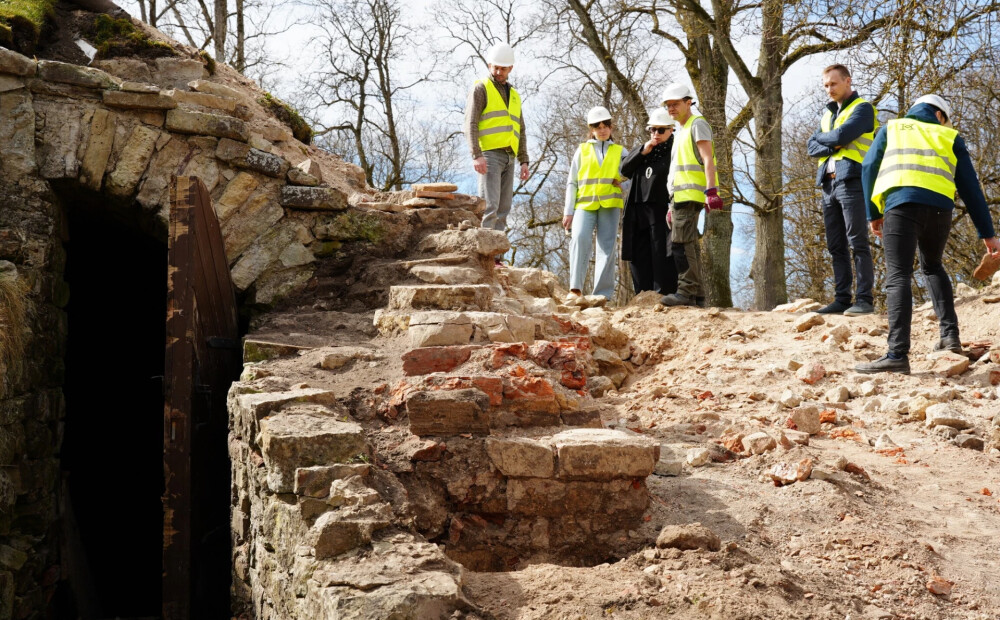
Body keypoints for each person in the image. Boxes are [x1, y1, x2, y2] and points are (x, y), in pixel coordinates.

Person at [855, 95, 1000, 374]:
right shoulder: (950, 136)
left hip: (901, 206)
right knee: (933, 267)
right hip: (939, 211)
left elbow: (868, 167)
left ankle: (897, 354)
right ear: (939, 115)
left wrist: (873, 212)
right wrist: (988, 234)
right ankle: (950, 336)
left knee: (898, 274)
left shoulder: (892, 128)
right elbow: (970, 187)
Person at [807, 64, 878, 316]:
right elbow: (810, 146)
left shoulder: (863, 109)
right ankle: (841, 299)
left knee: (857, 240)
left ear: (848, 81)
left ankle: (864, 300)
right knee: (835, 245)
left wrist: (833, 139)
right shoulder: (827, 115)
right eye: (826, 85)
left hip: (852, 181)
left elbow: (841, 136)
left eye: (833, 84)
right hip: (827, 184)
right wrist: (834, 142)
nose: (829, 89)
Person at [464, 42, 531, 254]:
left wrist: (524, 160)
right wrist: (476, 154)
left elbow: (520, 129)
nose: (499, 72)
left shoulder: (514, 95)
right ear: (489, 65)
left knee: (503, 209)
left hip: (510, 156)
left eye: (503, 68)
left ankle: (496, 257)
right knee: (489, 206)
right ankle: (483, 255)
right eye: (495, 67)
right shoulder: (481, 88)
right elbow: (471, 123)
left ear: (511, 68)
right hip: (490, 155)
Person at [660, 83, 722, 307]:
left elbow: (708, 159)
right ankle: (697, 296)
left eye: (675, 104)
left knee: (680, 244)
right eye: (668, 106)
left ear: (688, 102)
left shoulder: (698, 124)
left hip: (690, 194)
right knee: (690, 245)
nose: (671, 109)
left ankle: (685, 292)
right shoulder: (681, 130)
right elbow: (677, 169)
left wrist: (711, 190)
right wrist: (670, 205)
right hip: (679, 196)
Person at [562, 106, 625, 301]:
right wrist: (568, 211)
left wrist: (623, 181)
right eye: (597, 126)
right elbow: (572, 182)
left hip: (610, 205)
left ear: (611, 127)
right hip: (584, 205)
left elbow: (630, 175)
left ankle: (602, 295)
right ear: (591, 129)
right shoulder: (582, 151)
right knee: (579, 239)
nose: (602, 129)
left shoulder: (621, 151)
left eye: (606, 125)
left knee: (606, 247)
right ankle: (575, 289)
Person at [620, 107, 678, 296]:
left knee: (662, 251)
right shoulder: (644, 149)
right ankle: (642, 294)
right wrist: (643, 151)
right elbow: (624, 169)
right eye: (652, 129)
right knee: (639, 251)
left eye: (661, 130)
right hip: (637, 209)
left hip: (661, 207)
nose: (656, 134)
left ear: (671, 130)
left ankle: (663, 294)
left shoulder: (676, 150)